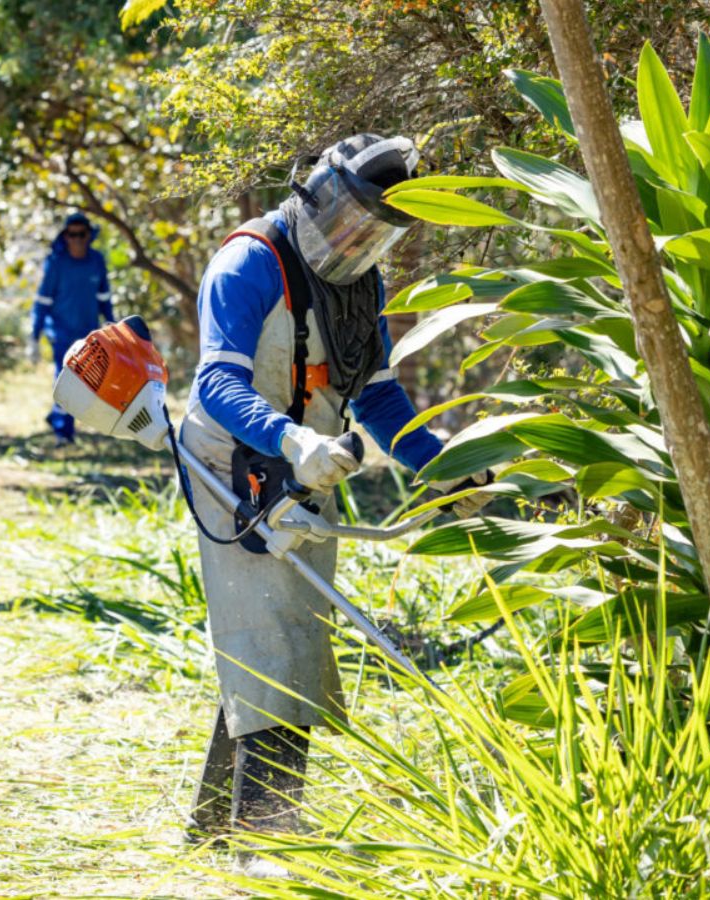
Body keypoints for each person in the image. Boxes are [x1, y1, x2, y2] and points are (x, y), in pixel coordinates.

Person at [178, 133, 490, 876]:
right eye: (349, 221)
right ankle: (265, 847)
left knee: (282, 636)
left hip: (307, 468)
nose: (356, 242)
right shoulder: (247, 263)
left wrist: (440, 467)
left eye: (374, 232)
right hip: (235, 465)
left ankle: (214, 830)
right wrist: (292, 442)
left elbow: (375, 392)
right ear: (313, 196)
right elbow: (219, 385)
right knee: (276, 645)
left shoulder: (361, 283)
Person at [29, 211, 114, 445]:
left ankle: (56, 417)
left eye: (81, 234)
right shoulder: (56, 263)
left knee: (84, 383)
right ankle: (63, 433)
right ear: (65, 236)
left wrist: (112, 327)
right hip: (61, 333)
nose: (76, 239)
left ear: (89, 236)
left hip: (88, 334)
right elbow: (43, 301)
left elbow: (104, 297)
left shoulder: (96, 261)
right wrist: (34, 337)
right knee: (65, 378)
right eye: (71, 234)